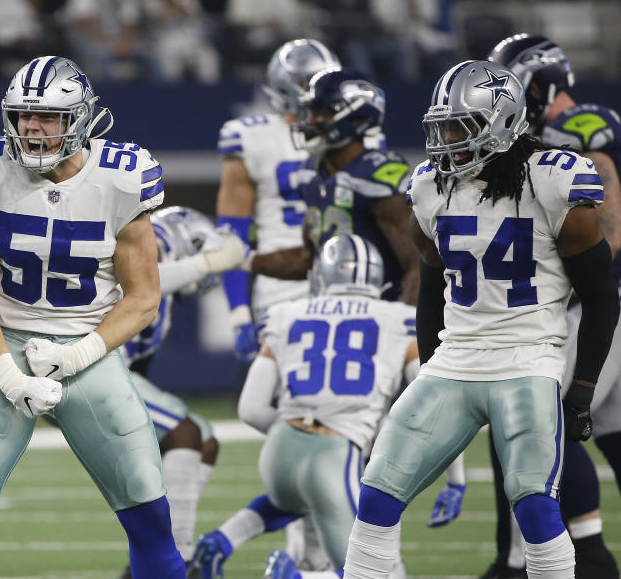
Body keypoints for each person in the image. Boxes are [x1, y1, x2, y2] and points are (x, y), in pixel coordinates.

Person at [343, 59, 620, 579]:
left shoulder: (554, 178)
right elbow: (430, 291)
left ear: (502, 122)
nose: (445, 140)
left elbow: (602, 296)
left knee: (535, 508)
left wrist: (581, 388)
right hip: (456, 360)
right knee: (376, 495)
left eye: (459, 127)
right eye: (440, 127)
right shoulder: (430, 186)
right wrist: (427, 369)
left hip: (528, 361)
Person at [0, 55, 186, 579]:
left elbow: (142, 299)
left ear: (81, 119)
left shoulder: (121, 179)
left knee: (148, 508)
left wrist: (74, 357)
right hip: (8, 341)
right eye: (24, 115)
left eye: (48, 116)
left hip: (86, 347)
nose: (32, 127)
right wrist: (7, 374)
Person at [485, 33, 621, 579]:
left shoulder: (581, 126)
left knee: (542, 426)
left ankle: (584, 558)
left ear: (539, 84)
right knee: (606, 430)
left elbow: (610, 227)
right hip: (600, 304)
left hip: (599, 305)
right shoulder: (546, 138)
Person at [229, 234, 417, 579]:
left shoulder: (285, 313)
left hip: (281, 447)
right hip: (338, 449)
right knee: (375, 571)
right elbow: (426, 401)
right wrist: (455, 478)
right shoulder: (398, 318)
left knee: (359, 561)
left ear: (322, 276)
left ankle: (223, 541)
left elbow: (251, 409)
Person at [115, 206, 246, 577]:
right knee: (184, 433)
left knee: (204, 440)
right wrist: (202, 264)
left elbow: (139, 372)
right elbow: (137, 276)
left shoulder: (167, 301)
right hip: (80, 368)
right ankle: (177, 561)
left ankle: (156, 558)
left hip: (112, 375)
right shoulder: (125, 248)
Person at [216, 39, 340, 365]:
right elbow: (232, 234)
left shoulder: (354, 130)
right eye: (309, 82)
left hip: (346, 279)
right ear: (286, 87)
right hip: (279, 285)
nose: (319, 90)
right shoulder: (251, 136)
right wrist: (239, 314)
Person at [294, 68, 419, 304]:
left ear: (355, 117)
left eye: (321, 112)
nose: (310, 121)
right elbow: (304, 261)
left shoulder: (377, 173)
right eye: (310, 112)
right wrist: (245, 260)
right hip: (329, 310)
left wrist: (404, 326)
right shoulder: (312, 172)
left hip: (378, 311)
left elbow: (417, 265)